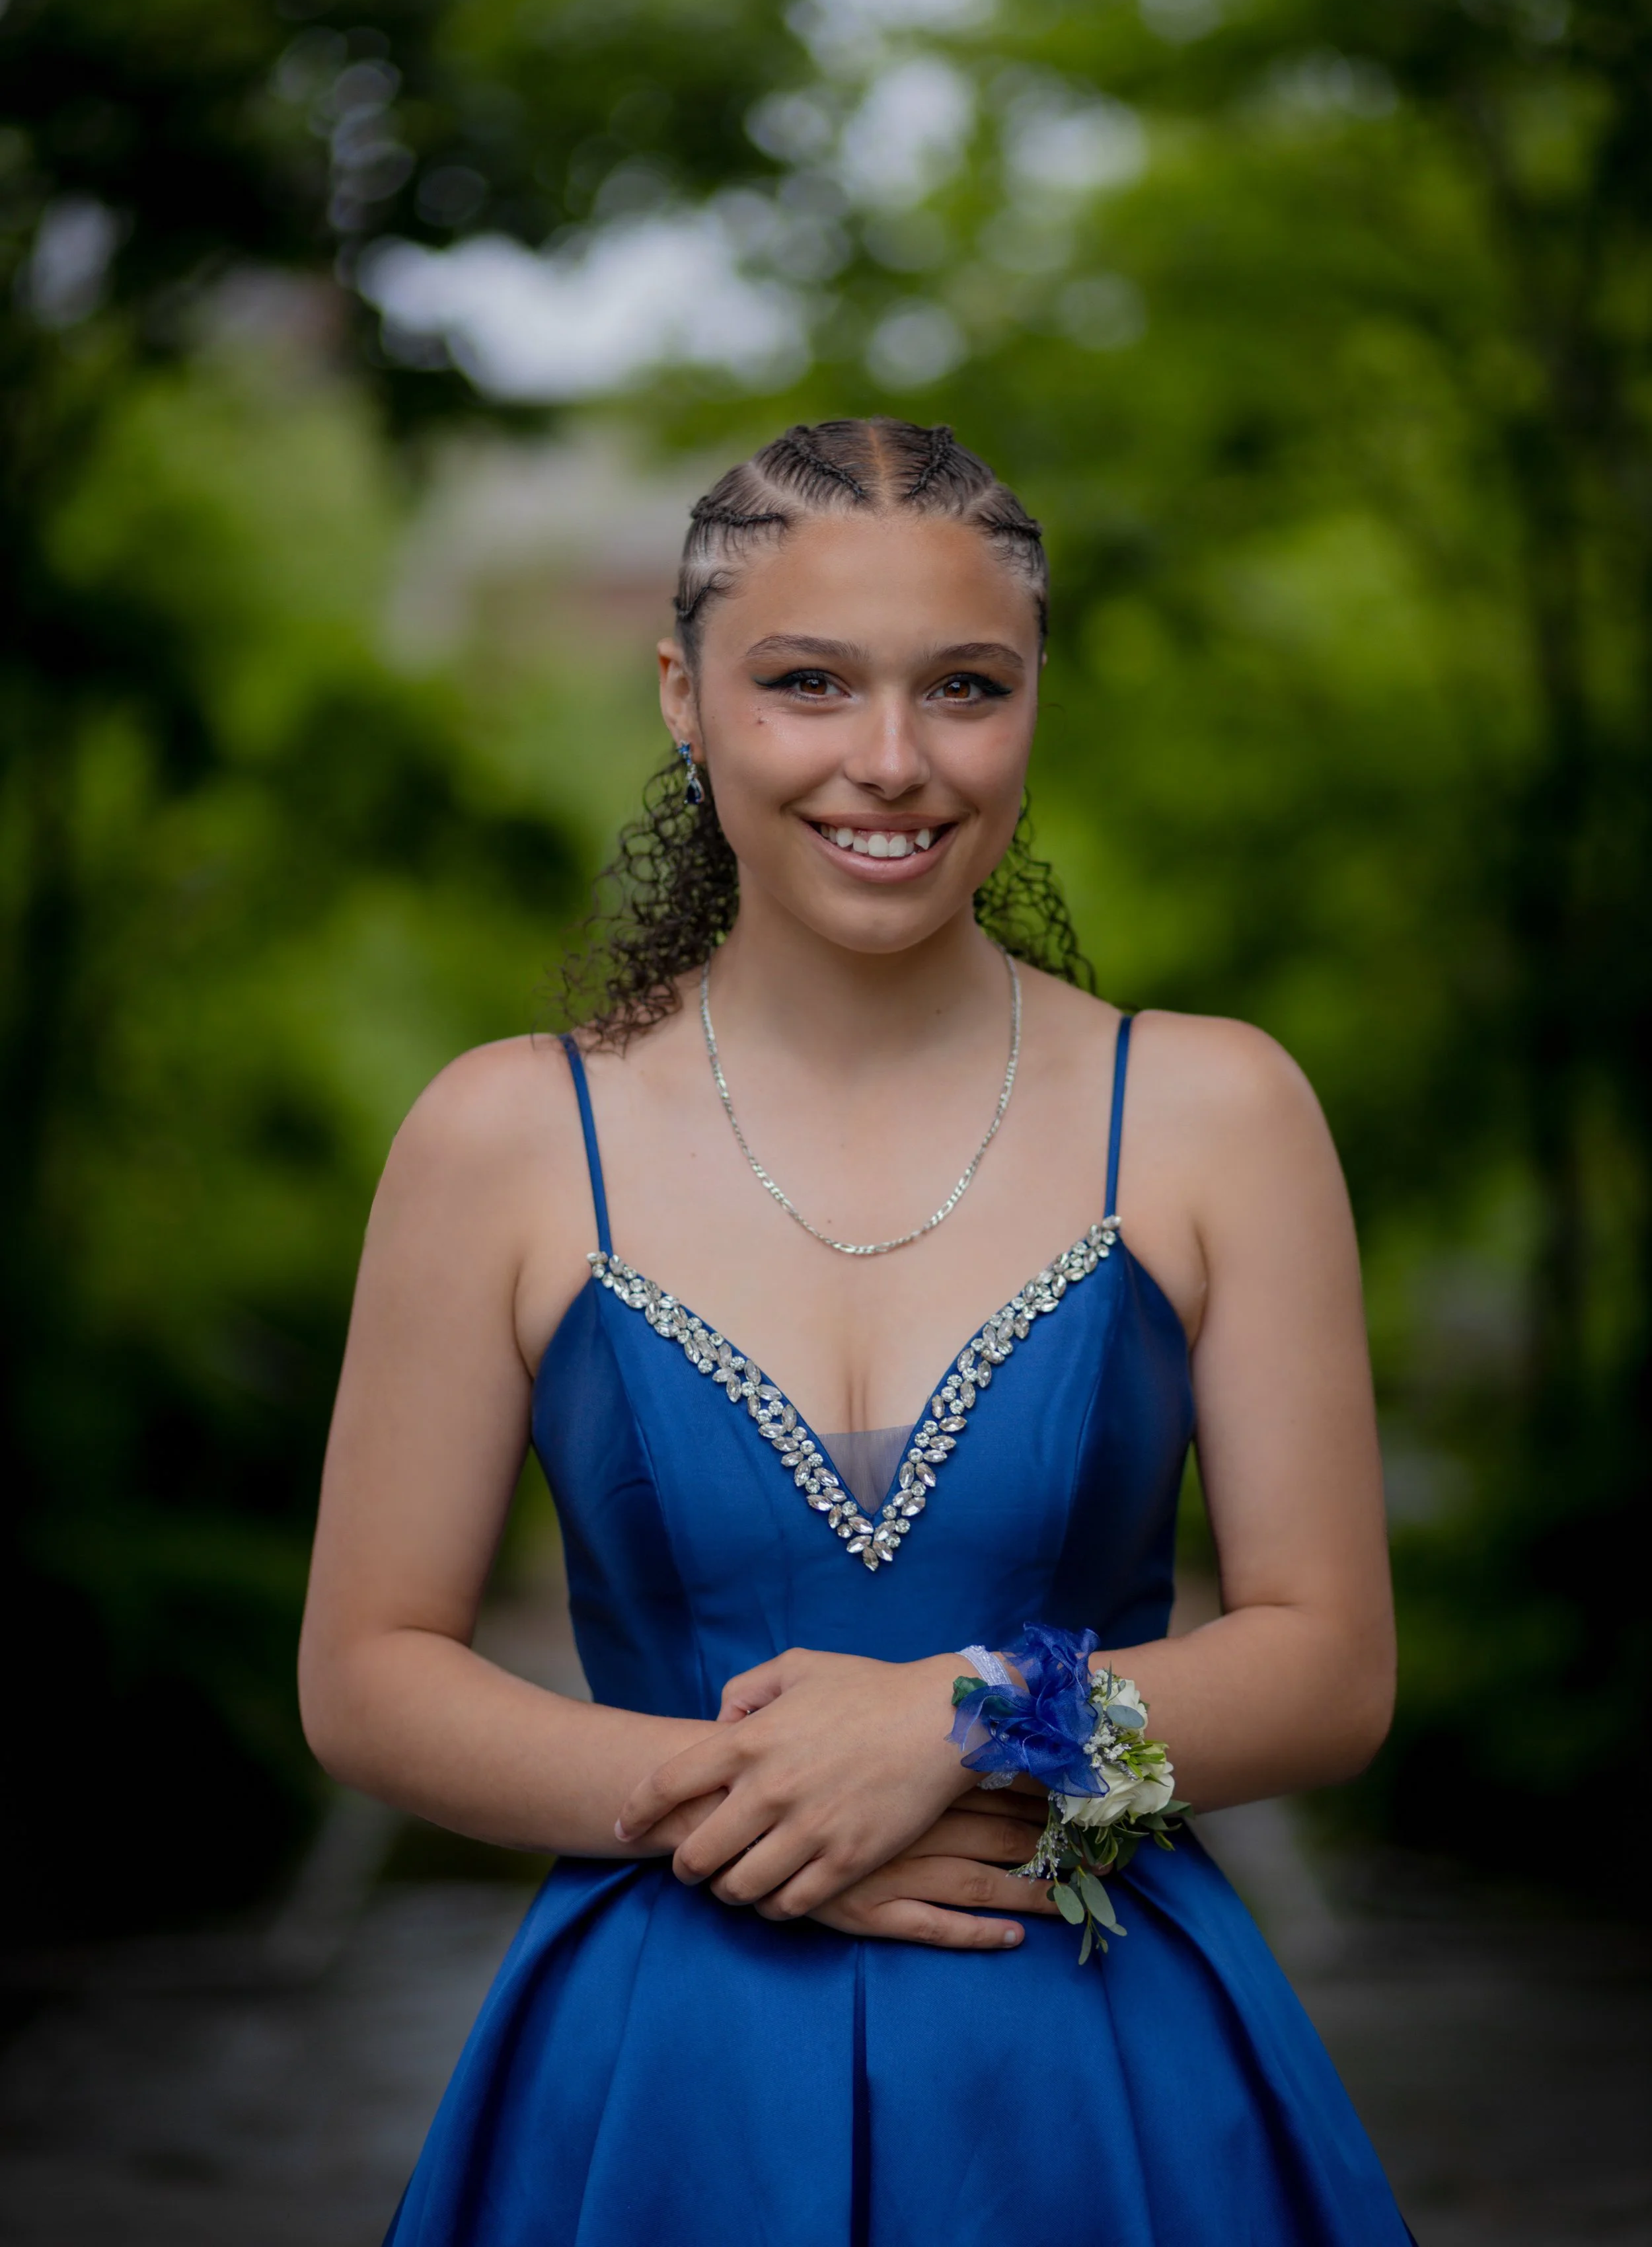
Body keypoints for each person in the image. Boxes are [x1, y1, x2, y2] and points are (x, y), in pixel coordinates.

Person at [299, 418, 1411, 2246]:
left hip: (1108, 2066)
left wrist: (974, 1723)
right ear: (683, 692)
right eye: (805, 683)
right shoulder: (500, 1137)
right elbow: (365, 1670)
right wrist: (739, 1799)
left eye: (962, 686)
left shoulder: (1213, 1109)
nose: (887, 761)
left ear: (1036, 695)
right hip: (662, 2076)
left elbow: (1326, 1669)